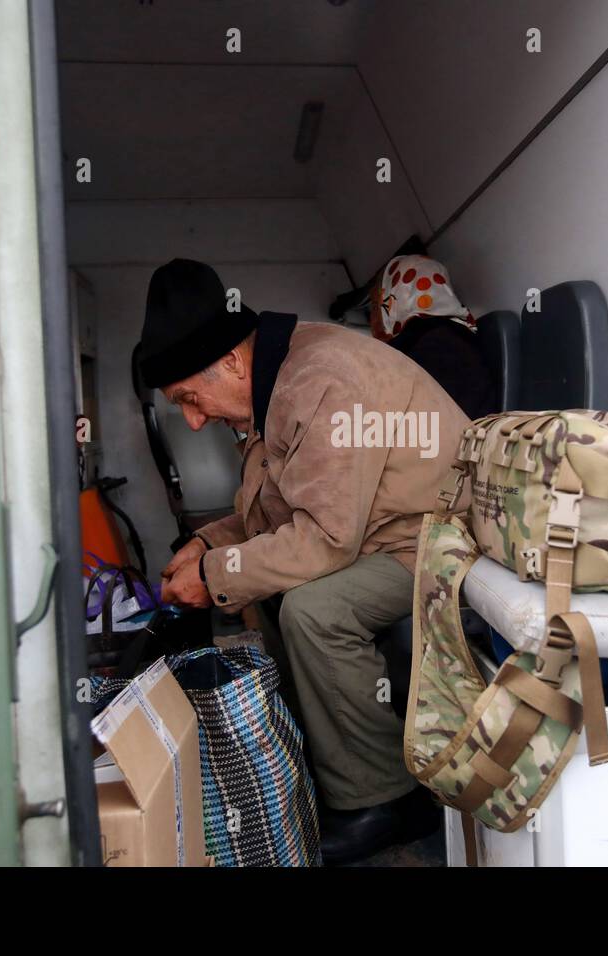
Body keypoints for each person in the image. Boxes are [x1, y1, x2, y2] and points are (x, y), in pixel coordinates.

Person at [142, 258, 468, 865]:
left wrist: (216, 576)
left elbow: (322, 538)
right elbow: (279, 508)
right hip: (378, 534)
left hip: (440, 541)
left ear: (233, 363)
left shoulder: (322, 378)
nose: (193, 418)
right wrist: (211, 542)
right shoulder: (276, 384)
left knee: (315, 608)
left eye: (190, 398)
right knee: (263, 582)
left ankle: (385, 800)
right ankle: (318, 754)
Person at [369, 254, 499, 419]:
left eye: (375, 307)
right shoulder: (444, 336)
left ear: (394, 301)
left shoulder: (437, 345)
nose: (372, 320)